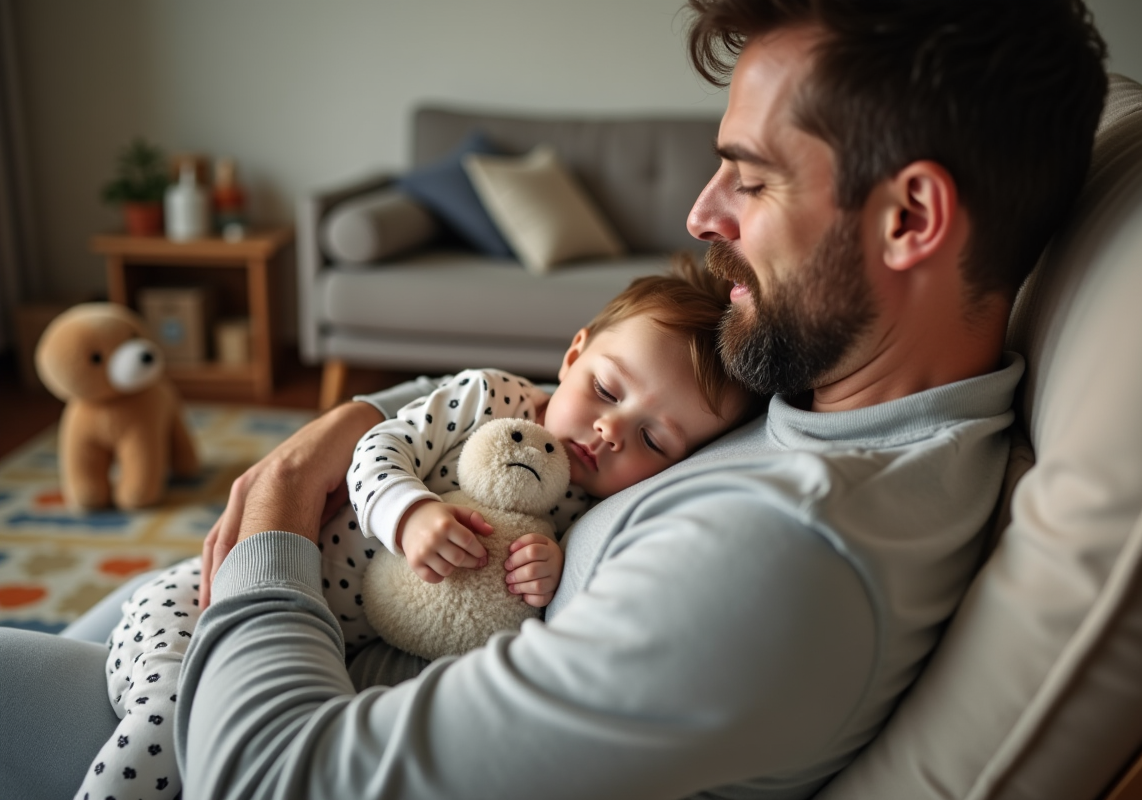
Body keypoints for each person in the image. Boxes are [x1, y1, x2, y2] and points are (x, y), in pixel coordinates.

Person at [0, 2, 1109, 798]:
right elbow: (523, 403)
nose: (701, 213)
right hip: (282, 627)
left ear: (910, 219)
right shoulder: (821, 384)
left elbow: (264, 776)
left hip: (226, 718)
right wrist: (352, 427)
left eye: (752, 177)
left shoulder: (782, 558)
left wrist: (286, 506)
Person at [73, 260, 756, 800]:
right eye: (606, 390)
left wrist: (543, 567)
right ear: (574, 355)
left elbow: (529, 587)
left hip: (315, 654)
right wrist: (408, 512)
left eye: (653, 440)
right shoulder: (492, 397)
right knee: (165, 728)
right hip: (210, 605)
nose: (609, 430)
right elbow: (378, 447)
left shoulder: (590, 512)